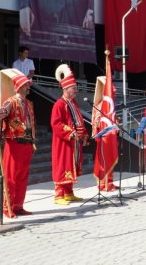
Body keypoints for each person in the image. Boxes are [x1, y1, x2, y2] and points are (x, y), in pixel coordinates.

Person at [0, 70, 35, 217]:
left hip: (27, 143)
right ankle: (8, 207)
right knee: (11, 176)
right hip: (14, 143)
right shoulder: (11, 102)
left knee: (23, 176)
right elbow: (1, 113)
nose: (28, 87)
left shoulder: (29, 104)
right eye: (26, 85)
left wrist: (33, 142)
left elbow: (31, 123)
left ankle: (18, 206)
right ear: (19, 87)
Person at [51, 64, 88, 205]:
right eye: (73, 88)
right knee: (63, 166)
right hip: (64, 142)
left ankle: (69, 192)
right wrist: (70, 132)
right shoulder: (59, 104)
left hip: (75, 142)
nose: (76, 91)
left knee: (71, 166)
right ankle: (59, 195)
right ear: (66, 89)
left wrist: (83, 134)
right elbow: (56, 123)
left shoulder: (73, 103)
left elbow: (79, 120)